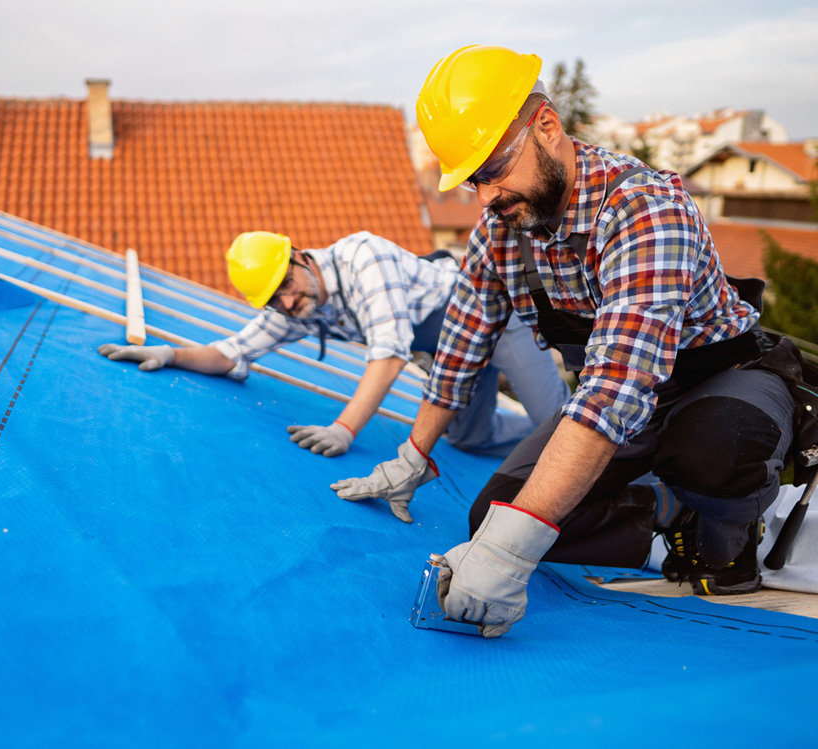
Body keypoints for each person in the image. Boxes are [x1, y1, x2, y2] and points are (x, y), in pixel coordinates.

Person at [331, 45, 803, 636]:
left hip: (722, 378)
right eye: (472, 179)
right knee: (490, 516)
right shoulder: (503, 231)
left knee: (712, 450)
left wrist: (511, 555)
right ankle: (670, 511)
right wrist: (414, 455)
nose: (484, 196)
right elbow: (461, 345)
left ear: (546, 128)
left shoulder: (644, 211)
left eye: (494, 170)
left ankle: (727, 532)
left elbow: (614, 389)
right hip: (631, 403)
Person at [99, 230, 570, 495]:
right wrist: (170, 353)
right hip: (452, 351)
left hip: (490, 316)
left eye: (287, 286)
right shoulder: (299, 306)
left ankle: (638, 484)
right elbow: (231, 353)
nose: (286, 302)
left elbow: (389, 355)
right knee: (470, 438)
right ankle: (530, 431)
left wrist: (344, 428)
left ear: (302, 257)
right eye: (274, 301)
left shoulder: (363, 257)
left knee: (561, 425)